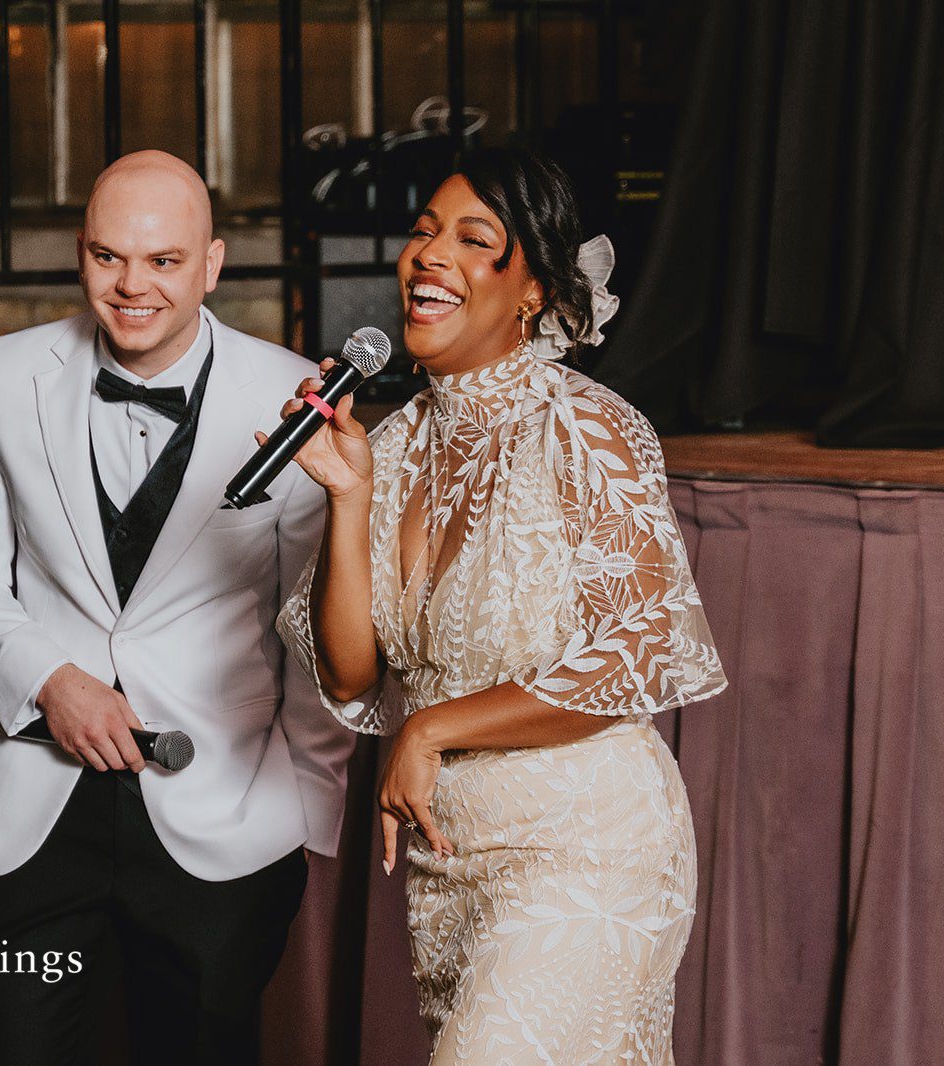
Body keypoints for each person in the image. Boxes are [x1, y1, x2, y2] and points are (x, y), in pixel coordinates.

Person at [276, 148, 727, 1064]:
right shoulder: (393, 444)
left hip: (589, 849)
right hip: (450, 864)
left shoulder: (586, 426)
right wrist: (349, 497)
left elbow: (641, 653)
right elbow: (353, 677)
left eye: (474, 240)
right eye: (423, 232)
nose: (431, 255)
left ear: (532, 292)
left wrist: (432, 728)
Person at [0, 150, 355, 1065]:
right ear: (81, 252)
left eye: (163, 260)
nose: (131, 286)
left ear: (212, 264)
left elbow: (314, 625)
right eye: (108, 256)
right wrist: (48, 678)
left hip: (225, 814)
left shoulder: (294, 399)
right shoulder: (4, 372)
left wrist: (307, 811)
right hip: (33, 813)